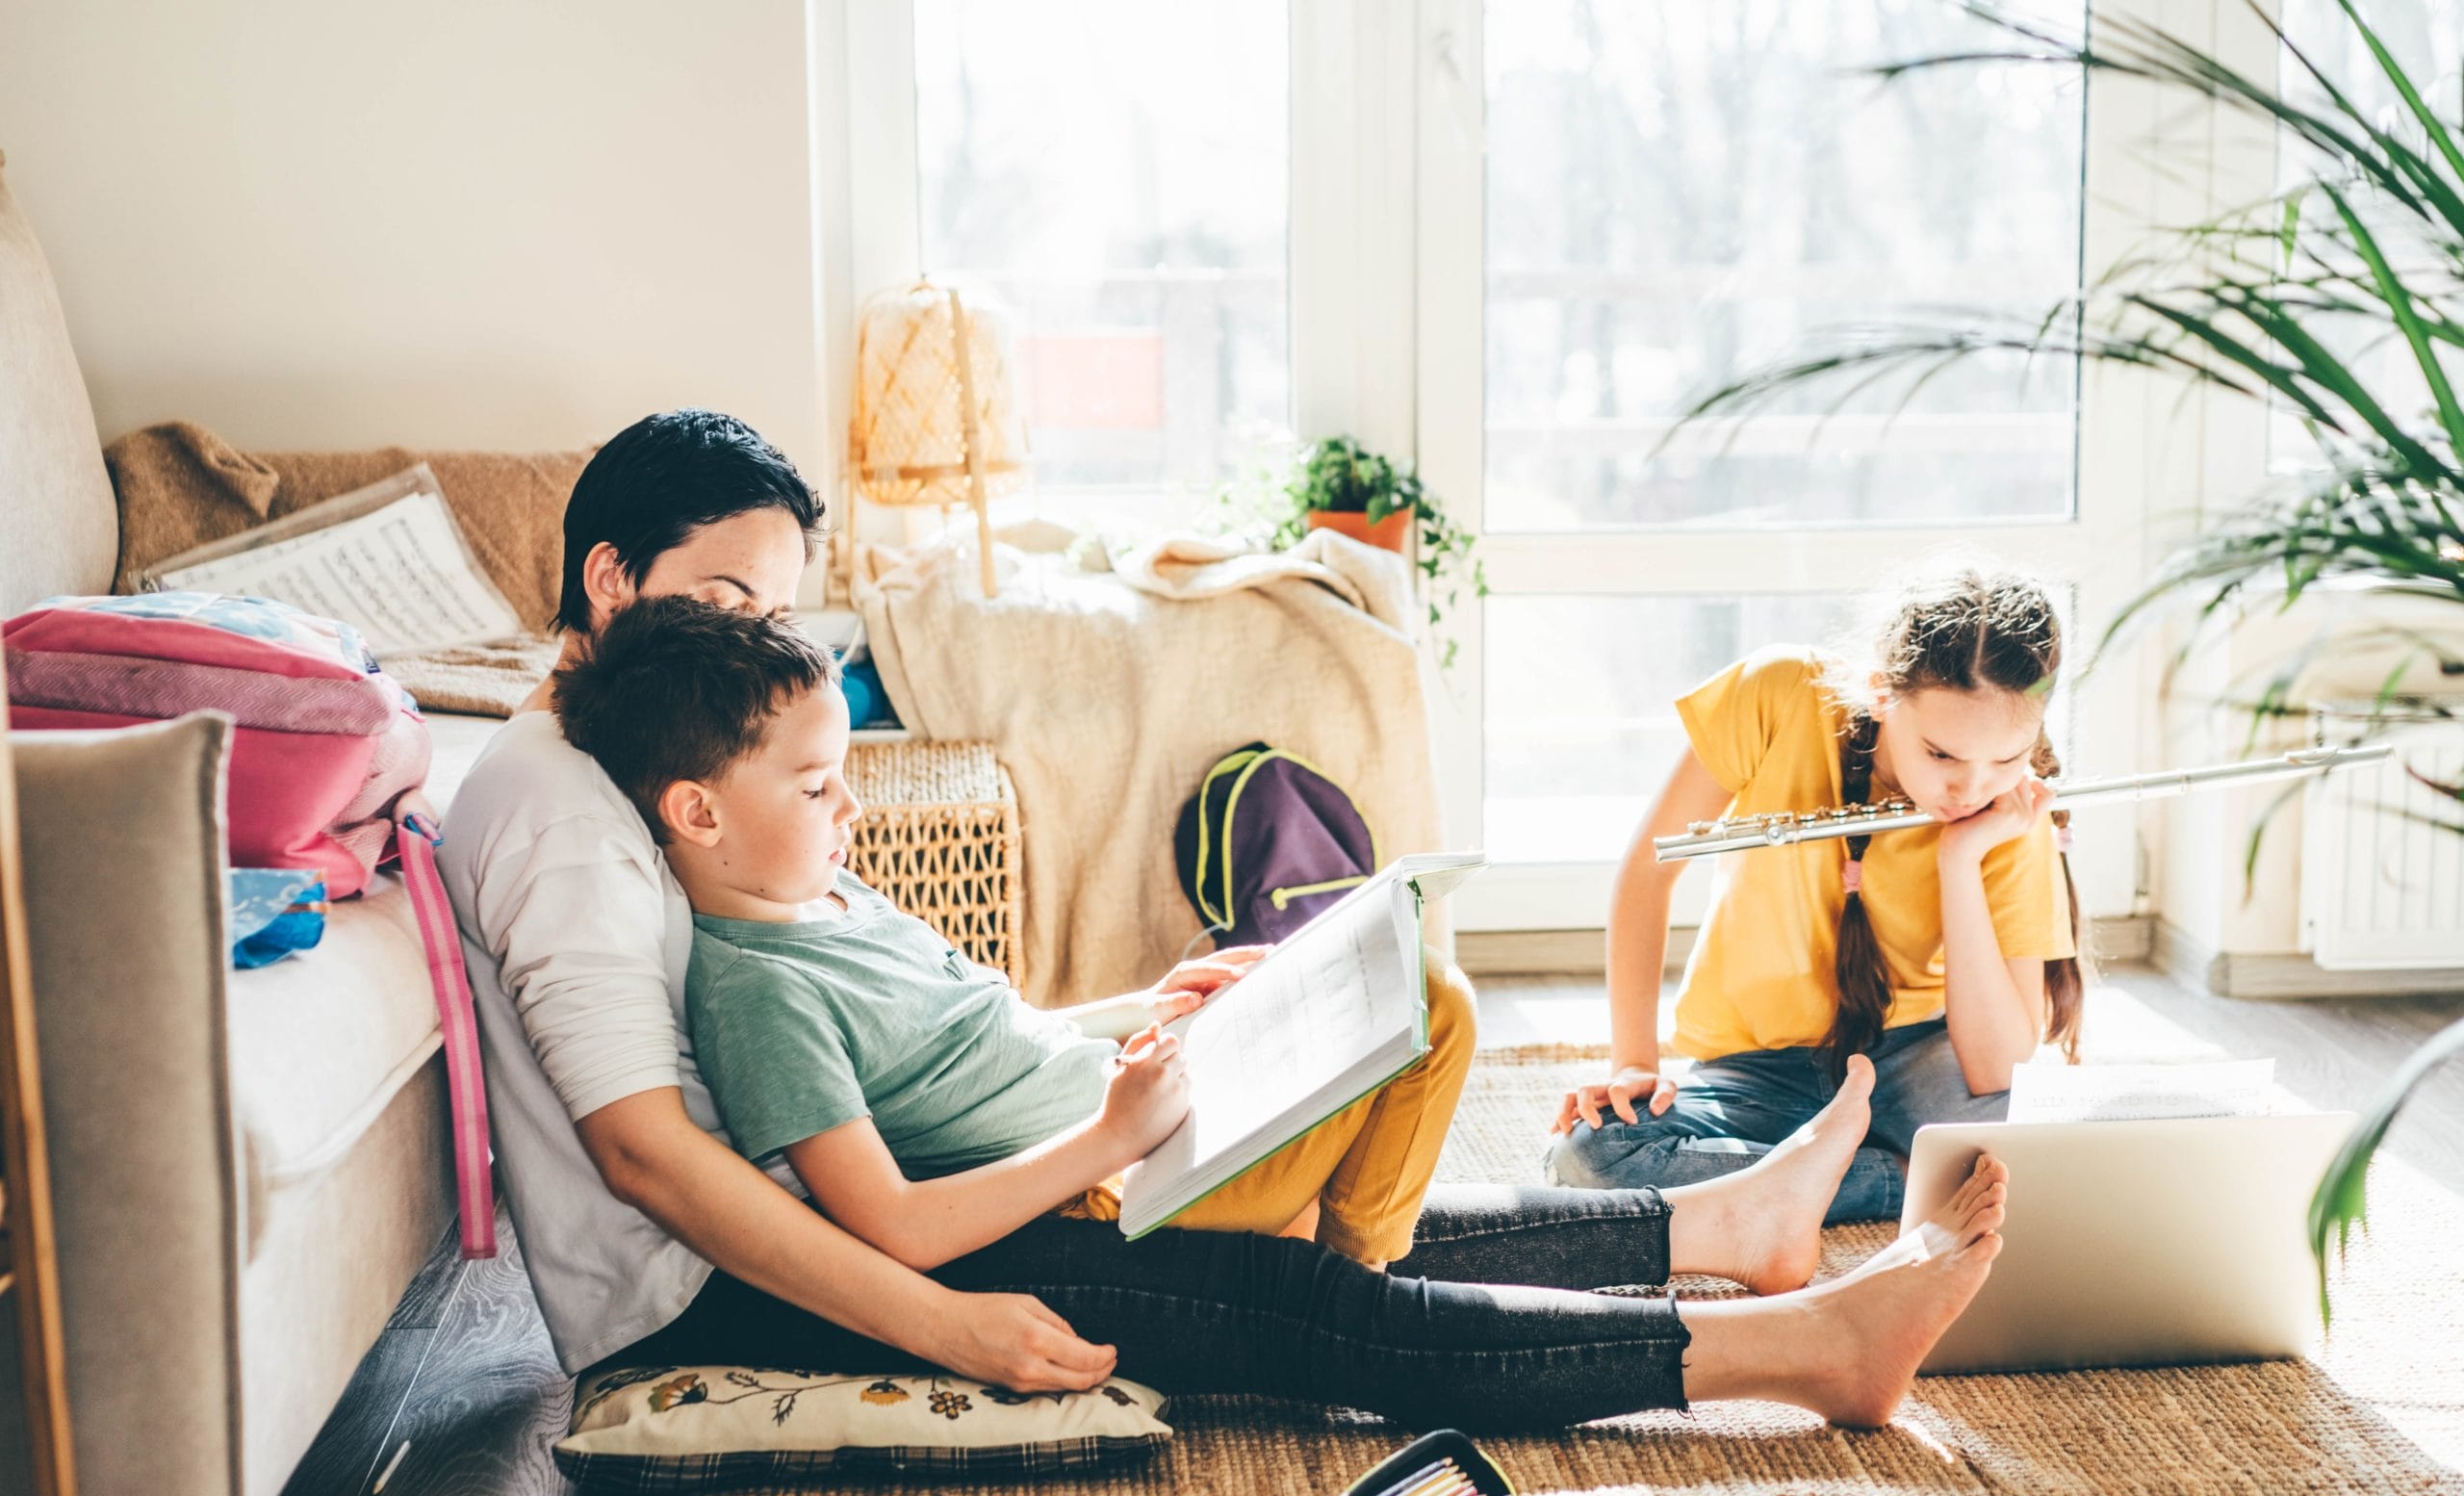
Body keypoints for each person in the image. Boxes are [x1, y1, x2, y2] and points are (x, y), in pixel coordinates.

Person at [439, 407, 2011, 1432]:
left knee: (1338, 1147)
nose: (762, 645)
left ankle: (1723, 1230)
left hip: (942, 1169)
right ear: (610, 577)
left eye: (777, 611)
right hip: (741, 1279)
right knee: (1313, 1305)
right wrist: (955, 1325)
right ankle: (1803, 1348)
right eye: (726, 606)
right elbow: (659, 1158)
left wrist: (1130, 1016)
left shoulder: (669, 770)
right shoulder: (574, 815)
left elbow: (928, 1041)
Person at [552, 594, 1470, 1273]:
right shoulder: (761, 995)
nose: (852, 805)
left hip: (1132, 1114)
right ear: (698, 813)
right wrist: (1111, 1140)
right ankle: (1351, 1287)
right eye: (813, 786)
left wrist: (1142, 1006)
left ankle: (1335, 1249)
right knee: (1424, 1001)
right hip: (1114, 1187)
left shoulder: (829, 895)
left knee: (1367, 979)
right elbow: (895, 1226)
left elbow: (986, 1044)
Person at [1546, 566, 2086, 1222]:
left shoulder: (2008, 817)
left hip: (1914, 1059)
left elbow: (1996, 1068)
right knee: (1591, 1156)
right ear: (1881, 694)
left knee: (2048, 1151)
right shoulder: (1778, 693)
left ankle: (1796, 1183)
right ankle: (1903, 1178)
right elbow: (1646, 873)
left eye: (2005, 759)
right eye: (1941, 756)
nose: (1969, 791)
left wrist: (1961, 860)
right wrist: (1634, 1061)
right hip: (1756, 1071)